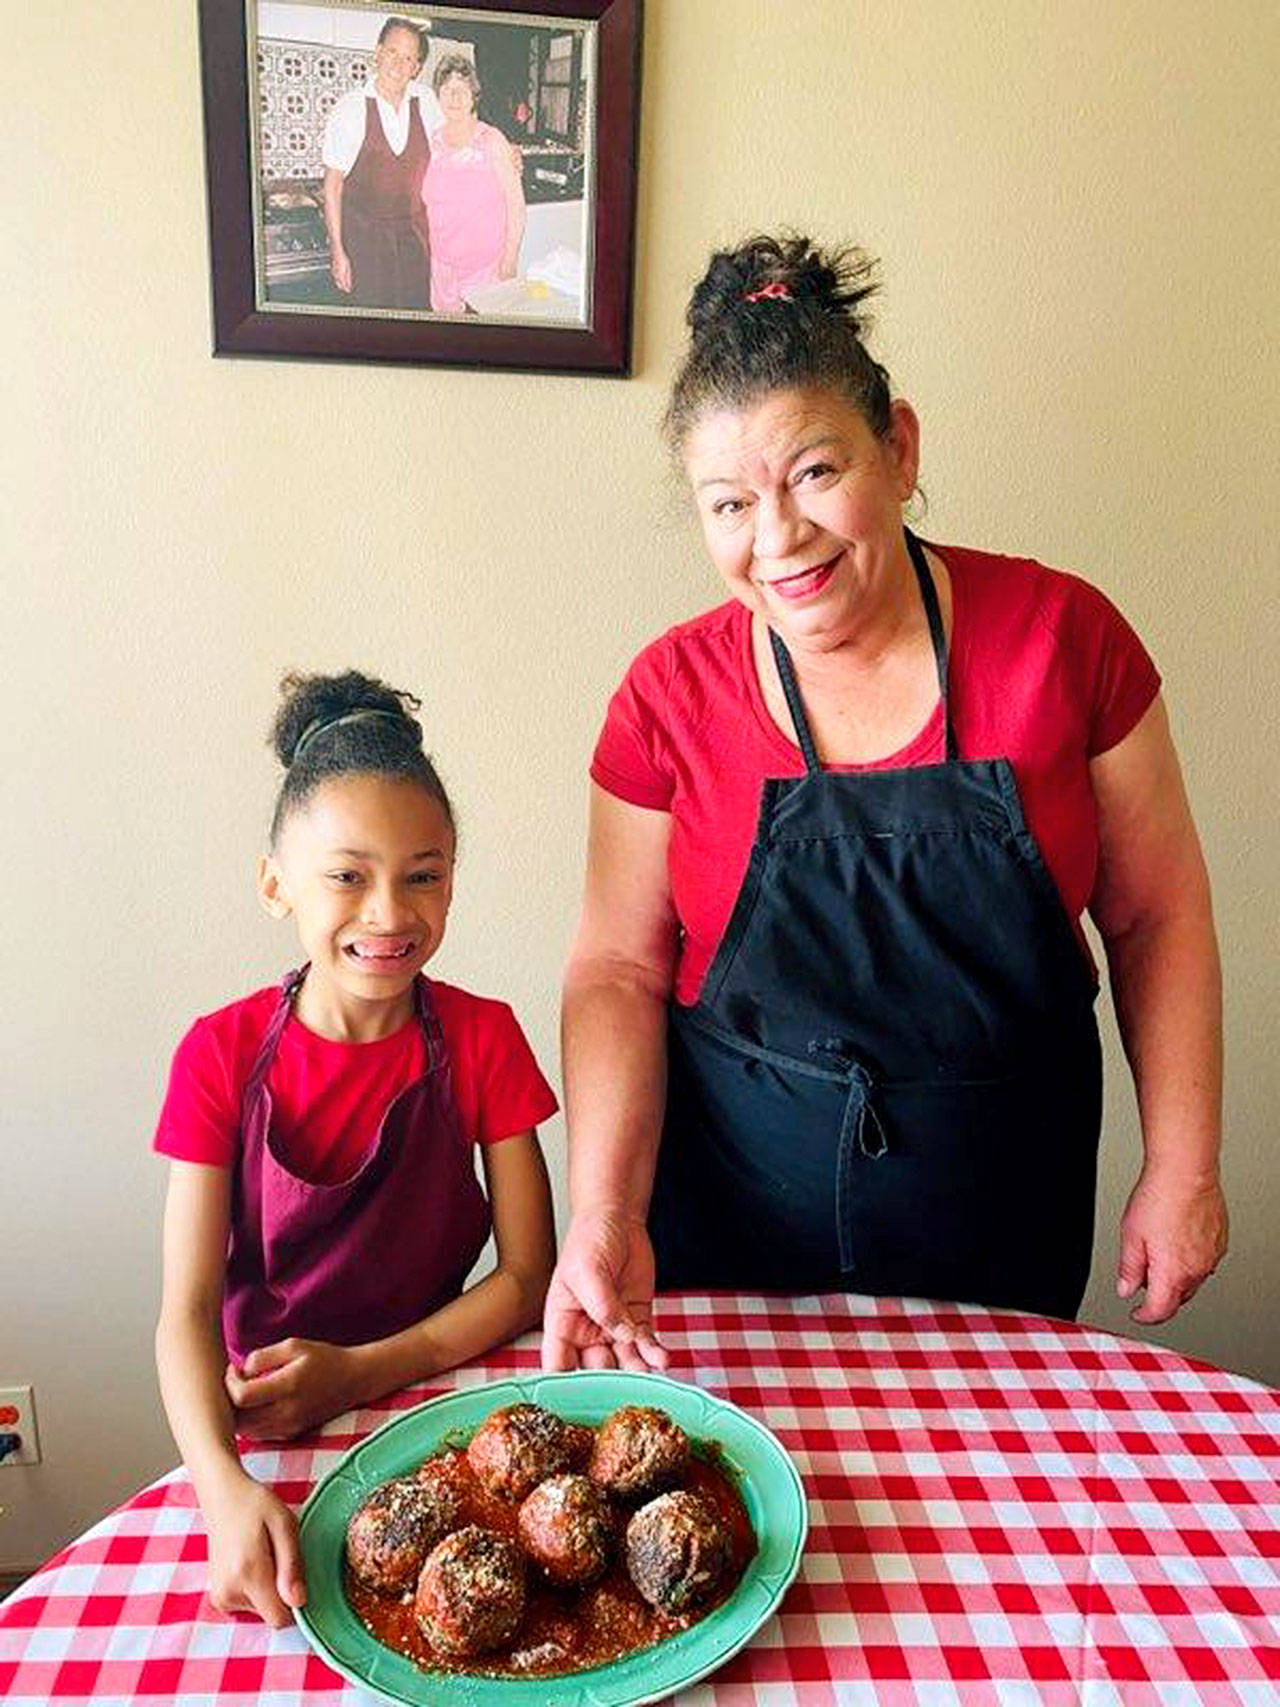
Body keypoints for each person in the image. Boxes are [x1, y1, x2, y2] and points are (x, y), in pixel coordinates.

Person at [543, 234, 1227, 1373]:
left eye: (814, 471)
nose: (777, 540)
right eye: (727, 504)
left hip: (1004, 1201)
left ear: (897, 447)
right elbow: (615, 968)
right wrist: (604, 1212)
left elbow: (1155, 913)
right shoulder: (668, 695)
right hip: (731, 1216)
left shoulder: (1065, 641)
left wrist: (1183, 1164)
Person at [154, 670, 557, 1625]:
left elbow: (530, 1274)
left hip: (446, 1403)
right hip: (270, 1430)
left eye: (423, 873)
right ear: (274, 882)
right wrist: (221, 1485)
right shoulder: (216, 1053)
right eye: (348, 874)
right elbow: (186, 1308)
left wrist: (367, 1369)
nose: (389, 913)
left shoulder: (484, 1036)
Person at [321, 18, 438, 309]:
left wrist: (500, 147)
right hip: (365, 243)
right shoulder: (350, 108)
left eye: (409, 58)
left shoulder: (426, 101)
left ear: (417, 68)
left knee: (415, 323)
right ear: (377, 53)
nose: (399, 64)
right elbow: (333, 186)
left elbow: (459, 139)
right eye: (393, 52)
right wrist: (338, 251)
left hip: (415, 240)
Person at [420, 53, 526, 313]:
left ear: (473, 95)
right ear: (438, 95)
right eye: (447, 89)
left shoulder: (491, 139)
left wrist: (510, 259)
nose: (454, 97)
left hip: (486, 269)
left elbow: (516, 204)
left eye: (462, 89)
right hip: (442, 268)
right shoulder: (431, 141)